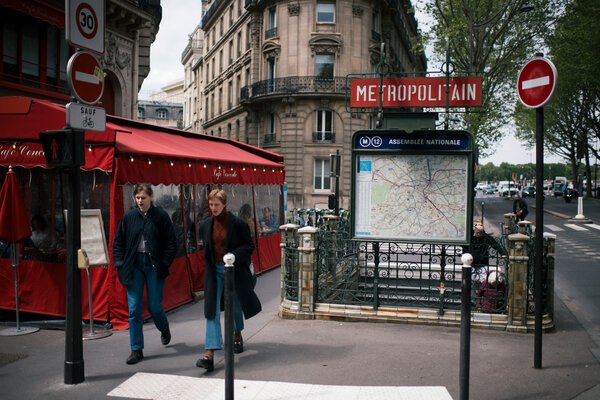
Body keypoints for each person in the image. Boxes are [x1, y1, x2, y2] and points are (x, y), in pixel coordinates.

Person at [196, 189, 262, 372]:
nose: (213, 208)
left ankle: (237, 334)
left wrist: (233, 256)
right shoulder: (205, 225)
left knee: (234, 305)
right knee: (211, 310)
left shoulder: (238, 224)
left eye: (217, 204)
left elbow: (249, 246)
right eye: (211, 204)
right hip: (213, 271)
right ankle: (209, 354)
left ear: (224, 204)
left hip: (233, 270)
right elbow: (205, 249)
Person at [113, 184, 177, 365]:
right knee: (134, 309)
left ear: (151, 197)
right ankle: (136, 349)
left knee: (154, 306)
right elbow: (118, 243)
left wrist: (165, 262)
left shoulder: (161, 217)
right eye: (138, 198)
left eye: (143, 197)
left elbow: (172, 242)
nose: (140, 201)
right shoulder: (129, 217)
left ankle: (164, 328)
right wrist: (119, 263)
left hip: (154, 265)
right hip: (133, 265)